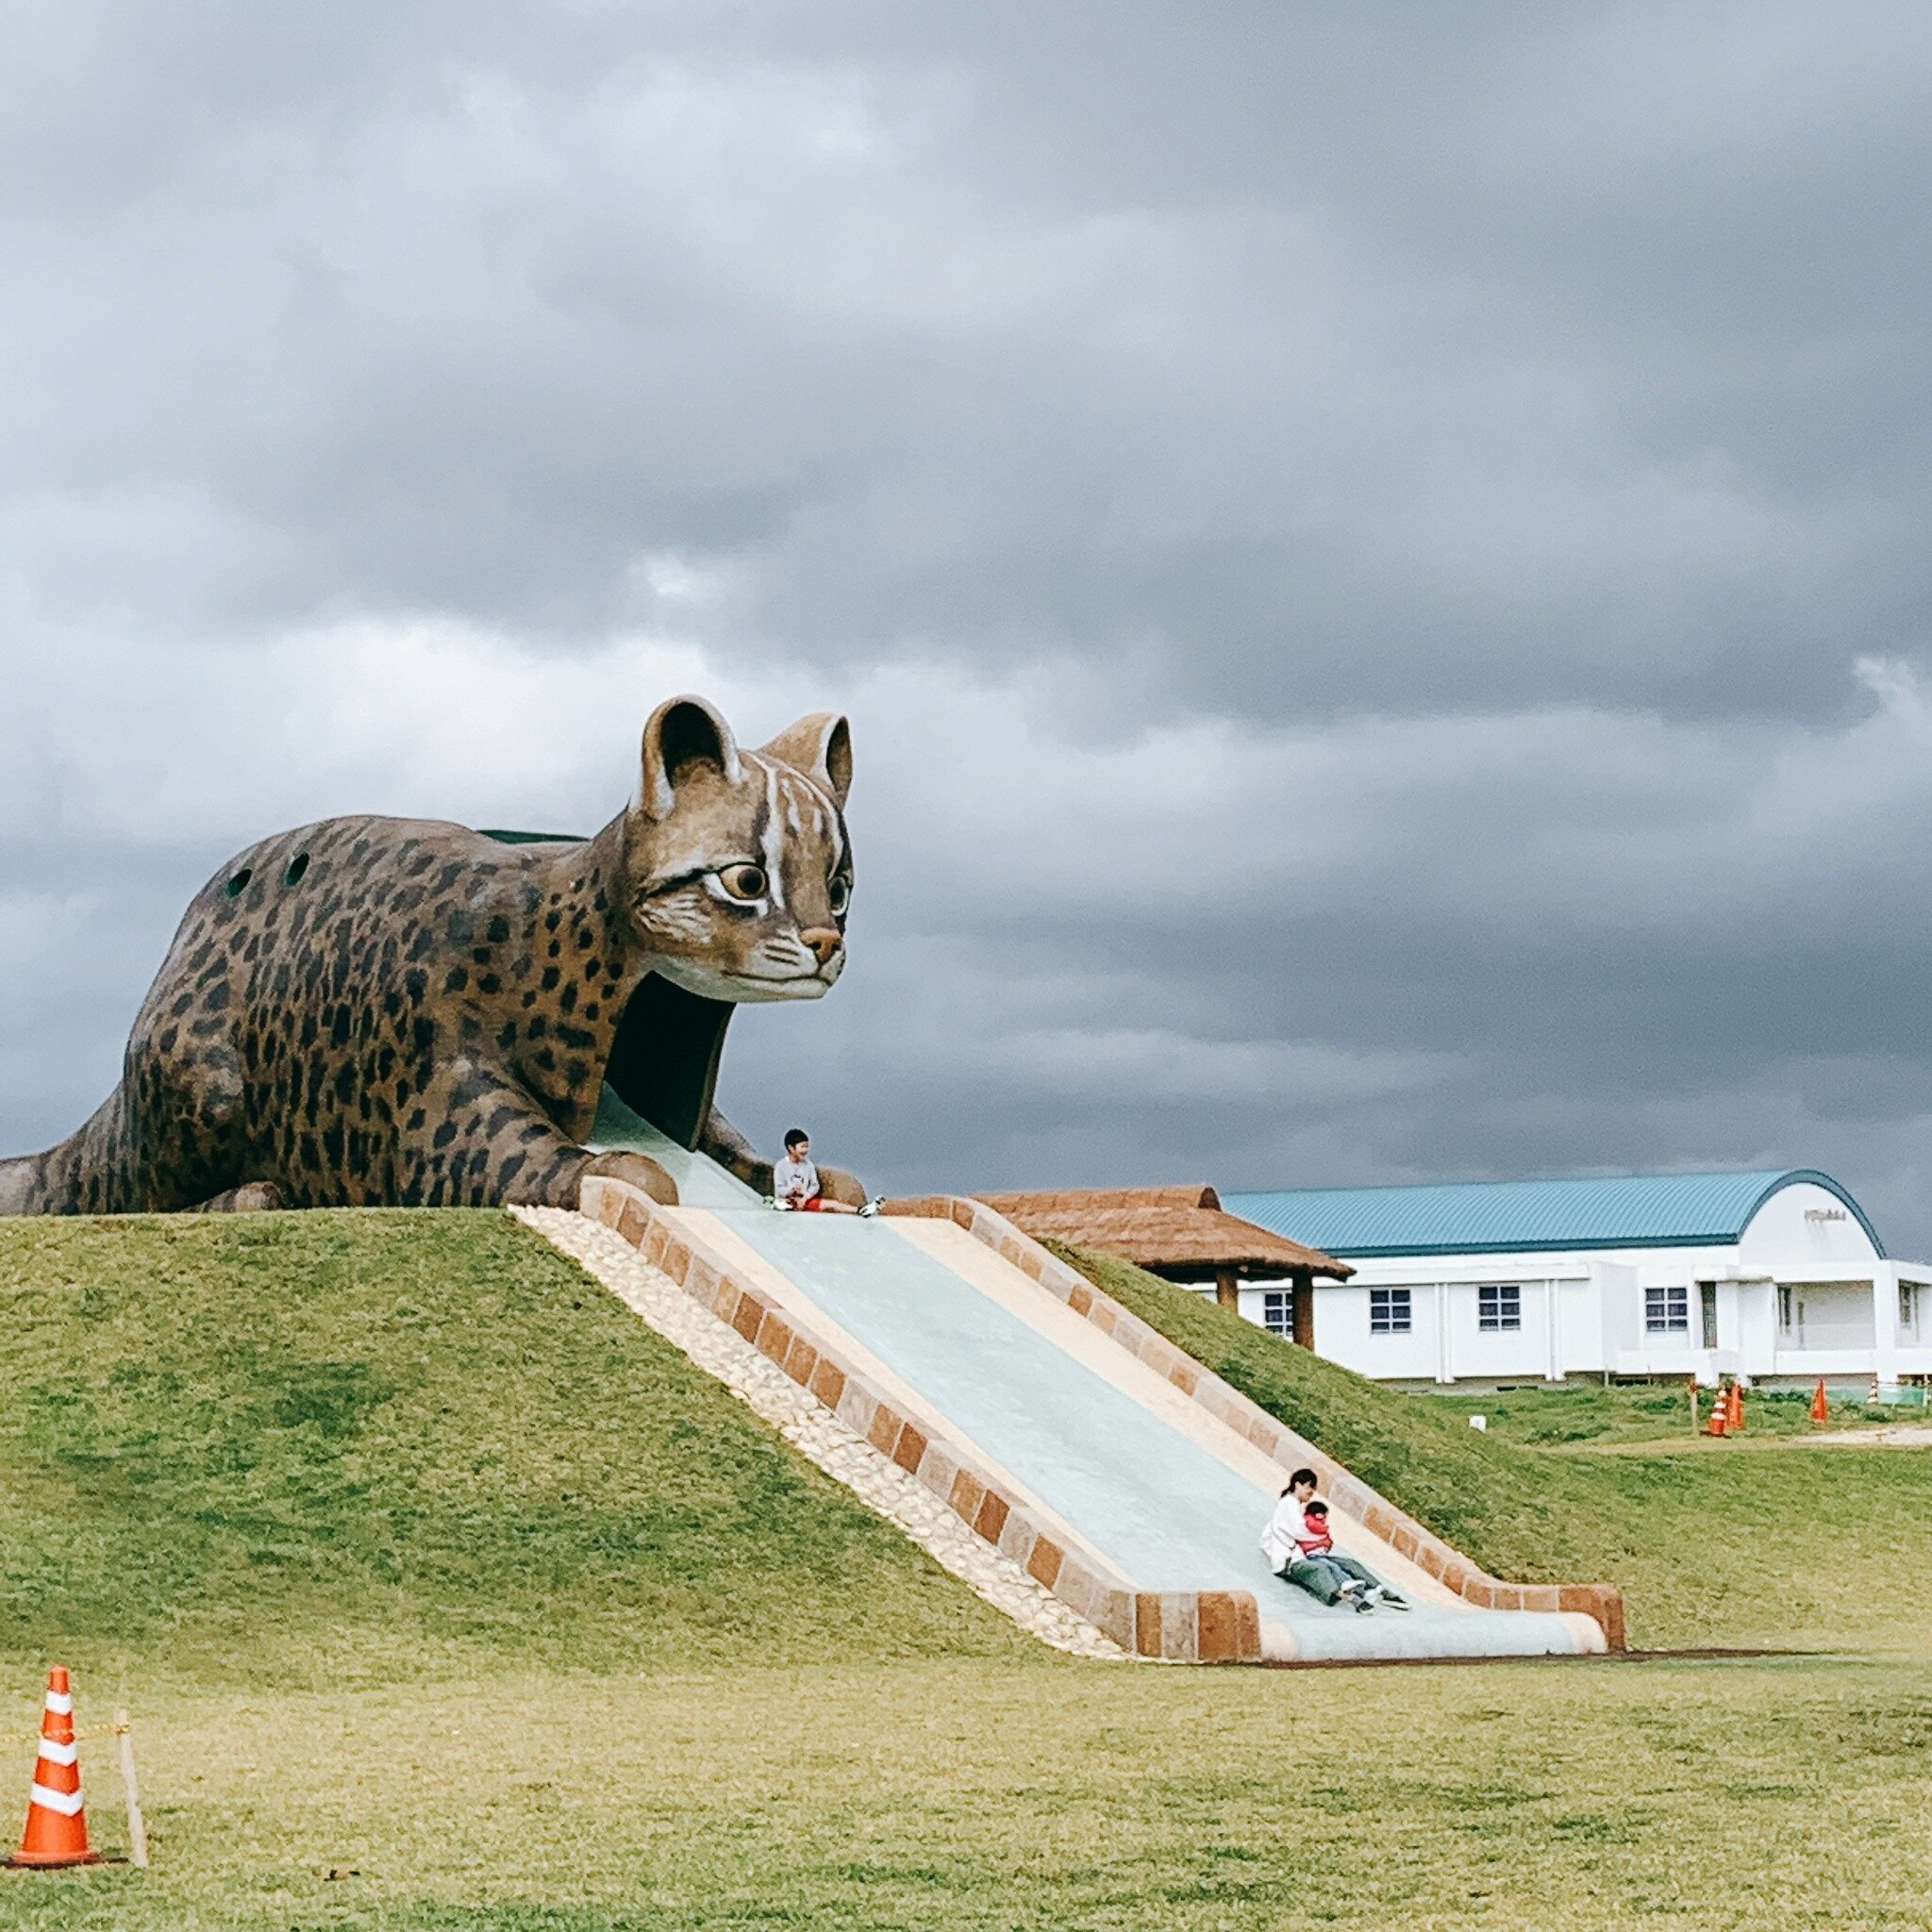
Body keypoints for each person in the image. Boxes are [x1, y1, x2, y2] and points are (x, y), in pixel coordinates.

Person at [1259, 1467, 1407, 1612]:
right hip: (1291, 1563)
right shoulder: (1288, 1503)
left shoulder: (1295, 1508)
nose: (1311, 1494)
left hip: (1307, 1556)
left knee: (1347, 1563)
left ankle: (1378, 1589)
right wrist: (1321, 1538)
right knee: (1321, 1569)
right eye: (1309, 1488)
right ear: (1297, 1484)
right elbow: (1298, 1531)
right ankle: (1353, 1598)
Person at [771, 1128, 879, 1216]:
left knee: (833, 1204)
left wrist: (804, 1199)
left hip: (805, 1201)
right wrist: (791, 1191)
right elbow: (779, 1189)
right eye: (802, 1147)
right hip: (787, 1201)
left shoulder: (809, 1165)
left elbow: (815, 1185)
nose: (805, 1150)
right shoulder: (781, 1166)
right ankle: (781, 1206)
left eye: (807, 1146)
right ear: (791, 1148)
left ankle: (861, 1210)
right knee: (781, 1204)